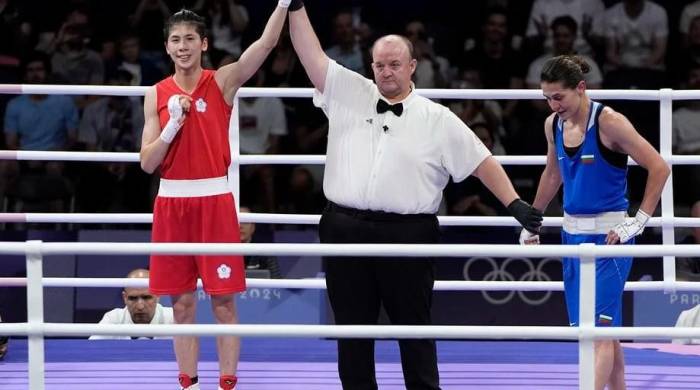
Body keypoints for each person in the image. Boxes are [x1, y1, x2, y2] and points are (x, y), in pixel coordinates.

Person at [288, 3, 543, 389]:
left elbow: (482, 161)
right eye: (379, 65)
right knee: (352, 329)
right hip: (345, 227)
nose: (386, 71)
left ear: (412, 66)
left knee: (414, 328)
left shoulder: (436, 118)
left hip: (409, 233)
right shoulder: (348, 90)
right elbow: (309, 52)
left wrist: (514, 204)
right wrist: (297, 6)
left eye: (394, 64)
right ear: (370, 66)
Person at [138, 3, 290, 389]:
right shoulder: (155, 93)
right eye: (176, 40)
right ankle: (188, 383)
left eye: (190, 38)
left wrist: (284, 5)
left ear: (203, 43)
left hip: (215, 202)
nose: (183, 46)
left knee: (223, 303)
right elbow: (147, 163)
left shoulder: (221, 81)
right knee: (182, 304)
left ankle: (227, 383)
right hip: (172, 204)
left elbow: (267, 44)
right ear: (168, 47)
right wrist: (173, 123)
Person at [520, 55, 670, 390]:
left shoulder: (610, 122)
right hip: (571, 236)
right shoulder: (552, 125)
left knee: (597, 334)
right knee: (601, 332)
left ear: (581, 88)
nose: (552, 104)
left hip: (610, 239)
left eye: (559, 96)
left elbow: (659, 166)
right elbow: (553, 173)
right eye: (547, 97)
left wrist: (639, 220)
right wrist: (532, 220)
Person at [89, 269, 174, 340]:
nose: (140, 306)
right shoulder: (113, 319)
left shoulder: (173, 318)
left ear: (158, 296)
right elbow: (90, 351)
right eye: (133, 298)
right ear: (125, 298)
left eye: (146, 297)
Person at [240, 205, 282, 278]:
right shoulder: (221, 251)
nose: (240, 226)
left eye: (245, 222)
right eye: (236, 221)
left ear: (252, 227)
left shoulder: (266, 251)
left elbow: (277, 281)